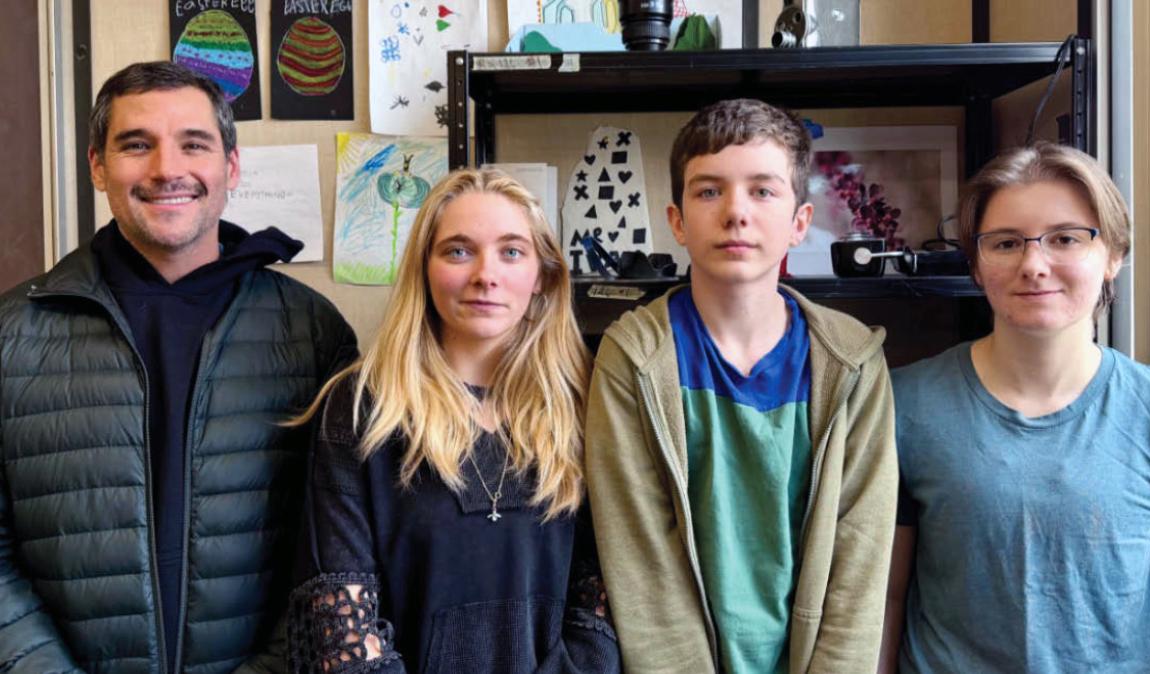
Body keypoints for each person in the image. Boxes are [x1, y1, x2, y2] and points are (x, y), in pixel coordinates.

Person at [0, 61, 357, 673]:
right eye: (136, 145)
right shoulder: (13, 334)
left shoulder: (312, 331)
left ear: (232, 167)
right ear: (96, 167)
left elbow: (338, 545)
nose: (167, 169)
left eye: (194, 144)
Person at [585, 98, 898, 673]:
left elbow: (860, 564)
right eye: (709, 191)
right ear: (676, 221)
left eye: (763, 190)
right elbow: (641, 565)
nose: (736, 213)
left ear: (800, 221)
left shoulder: (851, 364)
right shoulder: (632, 359)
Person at [879, 142, 1150, 673]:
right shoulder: (902, 406)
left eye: (1066, 239)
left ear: (1114, 255)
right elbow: (884, 604)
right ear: (977, 266)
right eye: (1005, 243)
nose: (1034, 265)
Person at [286, 168, 620, 674]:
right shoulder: (362, 409)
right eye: (458, 251)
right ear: (424, 269)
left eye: (511, 252)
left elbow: (603, 594)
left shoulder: (584, 404)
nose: (485, 274)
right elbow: (340, 617)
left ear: (543, 277)